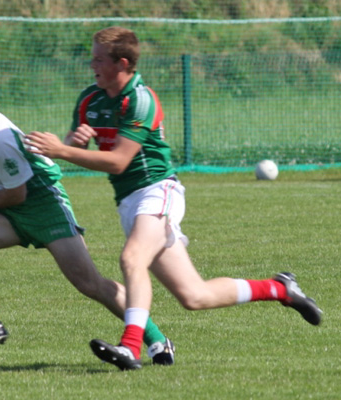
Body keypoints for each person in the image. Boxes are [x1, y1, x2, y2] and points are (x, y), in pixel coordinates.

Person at [25, 26, 323, 371]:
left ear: (122, 63)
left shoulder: (141, 99)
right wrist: (73, 143)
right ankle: (280, 289)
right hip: (129, 203)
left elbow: (119, 161)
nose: (91, 64)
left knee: (132, 258)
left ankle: (131, 347)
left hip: (158, 189)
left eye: (98, 58)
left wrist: (61, 150)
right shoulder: (90, 99)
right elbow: (77, 149)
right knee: (194, 296)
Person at [0, 63, 175, 365]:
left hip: (43, 202)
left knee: (90, 284)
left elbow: (16, 194)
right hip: (11, 208)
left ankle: (156, 340)